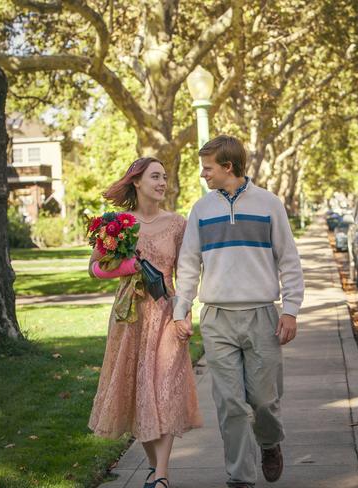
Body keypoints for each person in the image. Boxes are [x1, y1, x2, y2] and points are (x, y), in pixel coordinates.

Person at [173, 135, 305, 487]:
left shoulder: (269, 204)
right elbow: (188, 265)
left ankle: (270, 443)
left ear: (228, 167)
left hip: (262, 315)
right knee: (230, 403)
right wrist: (180, 311)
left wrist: (290, 310)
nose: (203, 174)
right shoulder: (201, 209)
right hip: (217, 318)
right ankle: (240, 478)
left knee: (264, 401)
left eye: (208, 167)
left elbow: (289, 260)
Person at [88, 157, 203, 488]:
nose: (162, 182)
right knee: (139, 393)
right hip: (130, 316)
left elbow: (188, 275)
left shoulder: (178, 224)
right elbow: (93, 268)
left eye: (164, 177)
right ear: (136, 181)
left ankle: (162, 474)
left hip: (166, 312)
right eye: (155, 176)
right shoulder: (119, 225)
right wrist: (126, 269)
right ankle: (155, 469)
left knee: (165, 389)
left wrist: (185, 314)